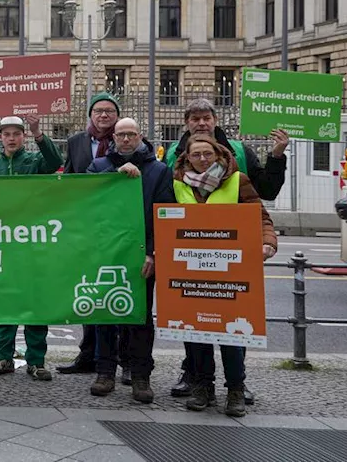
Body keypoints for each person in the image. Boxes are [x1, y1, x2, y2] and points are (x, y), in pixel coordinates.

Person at [164, 98, 287, 401]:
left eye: (206, 117)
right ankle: (195, 378)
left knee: (233, 326)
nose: (201, 123)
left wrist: (276, 156)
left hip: (233, 261)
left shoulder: (239, 157)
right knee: (193, 327)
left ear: (215, 120)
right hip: (189, 263)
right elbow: (162, 206)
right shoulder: (172, 159)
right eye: (195, 119)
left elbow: (264, 196)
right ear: (186, 124)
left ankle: (236, 384)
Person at [86, 117, 174, 403]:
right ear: (113, 137)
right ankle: (105, 372)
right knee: (105, 316)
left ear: (140, 137)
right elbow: (86, 204)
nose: (125, 140)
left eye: (131, 135)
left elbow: (164, 214)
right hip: (107, 254)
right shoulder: (99, 167)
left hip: (142, 257)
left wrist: (153, 251)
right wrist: (114, 175)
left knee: (140, 318)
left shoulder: (159, 171)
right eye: (121, 135)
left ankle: (140, 375)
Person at [0, 114, 62, 381]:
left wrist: (40, 133)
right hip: (2, 242)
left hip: (32, 241)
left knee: (35, 299)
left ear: (23, 137)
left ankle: (36, 360)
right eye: (7, 134)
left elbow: (55, 162)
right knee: (5, 299)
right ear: (0, 137)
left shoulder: (35, 162)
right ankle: (3, 357)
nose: (12, 138)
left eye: (17, 133)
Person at [59, 93, 121, 376]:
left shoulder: (129, 140)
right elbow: (70, 180)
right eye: (99, 110)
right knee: (88, 289)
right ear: (91, 115)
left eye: (109, 111)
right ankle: (88, 356)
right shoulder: (76, 142)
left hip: (117, 226)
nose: (104, 115)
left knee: (116, 296)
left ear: (117, 116)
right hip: (85, 226)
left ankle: (119, 359)